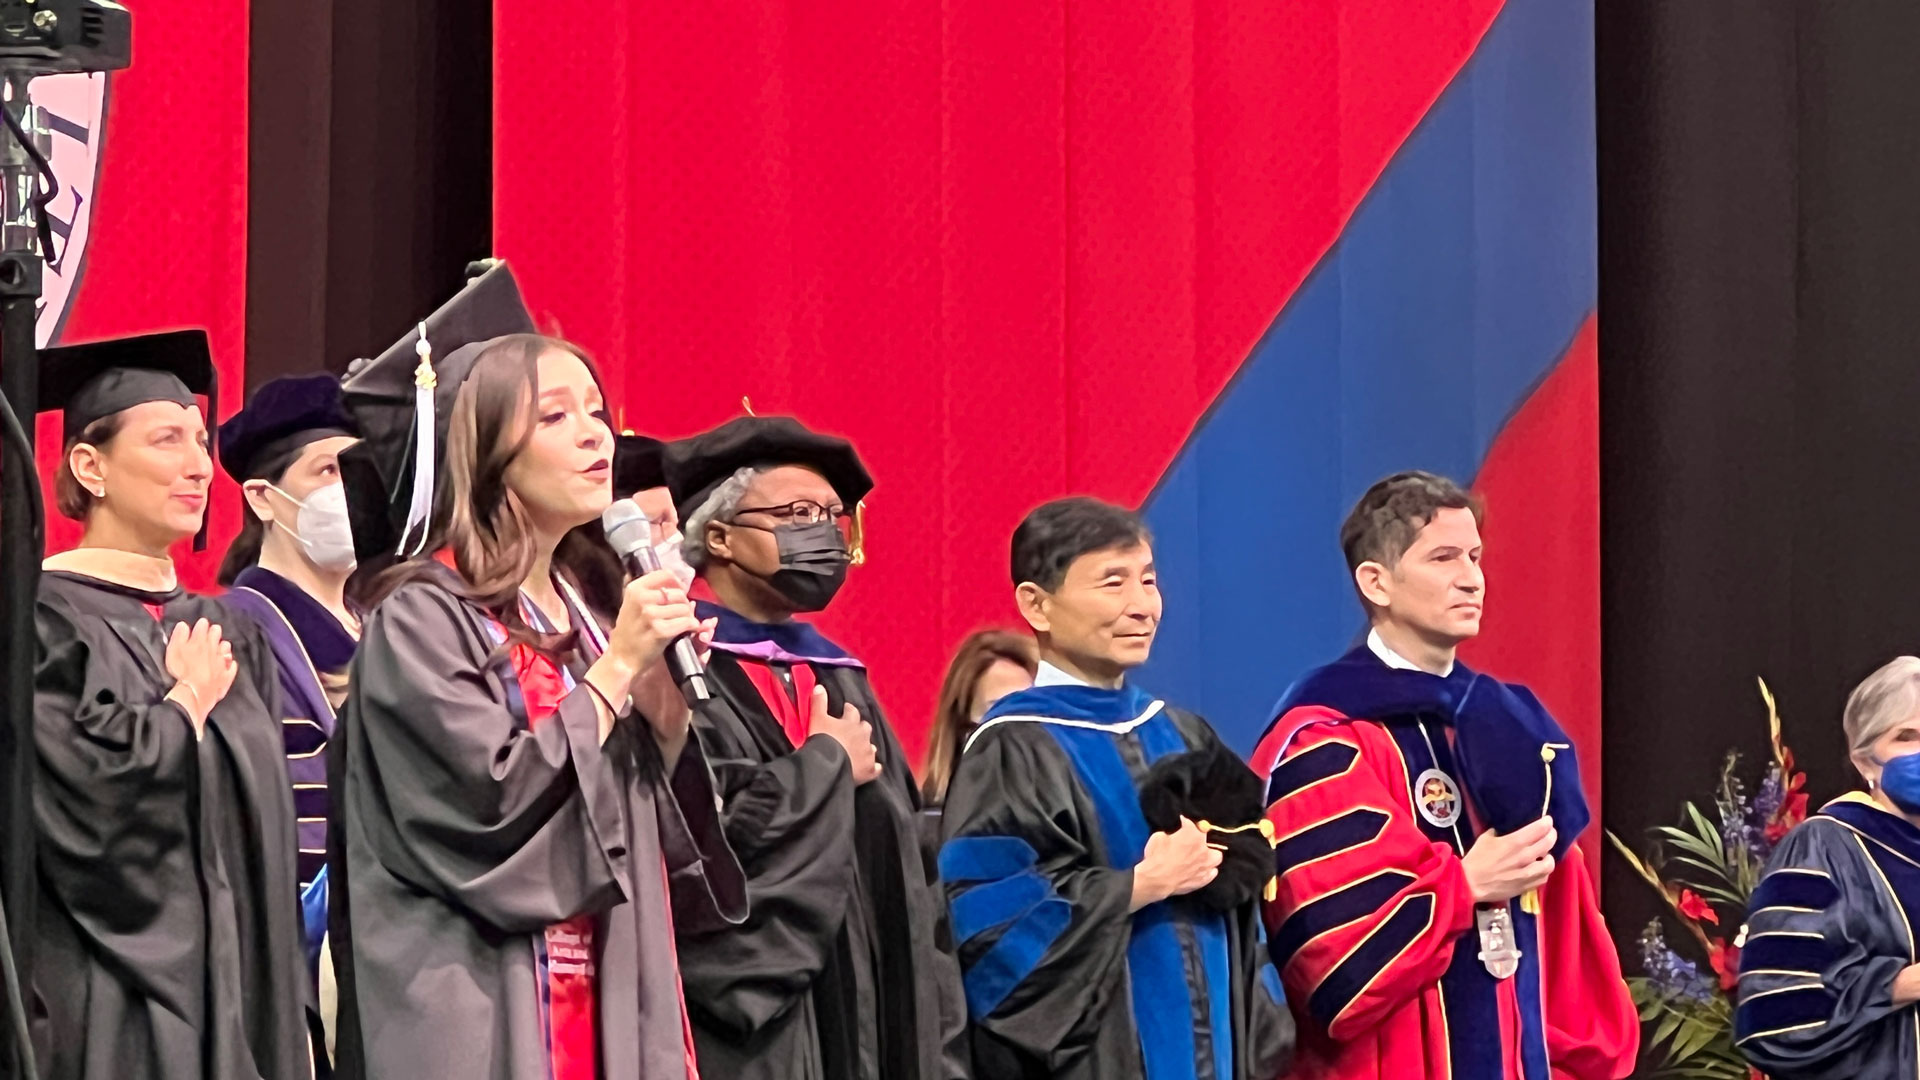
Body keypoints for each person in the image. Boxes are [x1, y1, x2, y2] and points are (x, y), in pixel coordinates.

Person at [327, 263, 747, 1079]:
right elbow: (484, 809)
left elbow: (629, 832)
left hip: (606, 989)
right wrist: (616, 670)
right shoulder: (423, 617)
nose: (597, 435)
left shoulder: (587, 613)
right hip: (480, 994)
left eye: (597, 412)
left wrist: (661, 713)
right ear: (482, 450)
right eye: (557, 416)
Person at [1252, 471, 1637, 1080]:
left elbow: (1566, 933)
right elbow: (1334, 968)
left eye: (1475, 556)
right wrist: (1465, 884)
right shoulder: (1326, 739)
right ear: (1376, 582)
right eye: (1442, 557)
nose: (1471, 577)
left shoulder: (1514, 726)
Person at [30, 330, 311, 1078]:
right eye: (166, 440)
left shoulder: (226, 628)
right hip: (110, 997)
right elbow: (79, 810)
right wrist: (184, 705)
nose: (198, 467)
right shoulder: (44, 622)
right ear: (90, 466)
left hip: (239, 994)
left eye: (199, 439)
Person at [938, 496, 1294, 1079]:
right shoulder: (1014, 747)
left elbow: (1246, 917)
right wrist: (1138, 886)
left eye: (1148, 581)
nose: (1142, 607)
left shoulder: (1182, 733)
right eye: (1112, 583)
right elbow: (988, 930)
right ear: (1037, 604)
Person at [662, 415, 967, 1080]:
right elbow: (702, 839)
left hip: (875, 1026)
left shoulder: (841, 677)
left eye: (833, 515)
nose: (824, 533)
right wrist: (825, 769)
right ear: (718, 536)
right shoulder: (679, 668)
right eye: (799, 512)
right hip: (756, 1034)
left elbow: (914, 874)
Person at [215, 373, 362, 997]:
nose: (348, 491)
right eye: (326, 471)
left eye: (358, 471)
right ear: (264, 499)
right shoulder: (236, 629)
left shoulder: (389, 622)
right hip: (293, 957)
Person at [1735, 655, 1920, 1079]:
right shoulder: (1824, 846)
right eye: (1907, 736)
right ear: (1864, 760)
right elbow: (1774, 1014)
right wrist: (1900, 985)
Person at [921, 629, 1037, 808]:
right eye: (999, 713)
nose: (1020, 728)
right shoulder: (927, 825)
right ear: (961, 730)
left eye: (1029, 710)